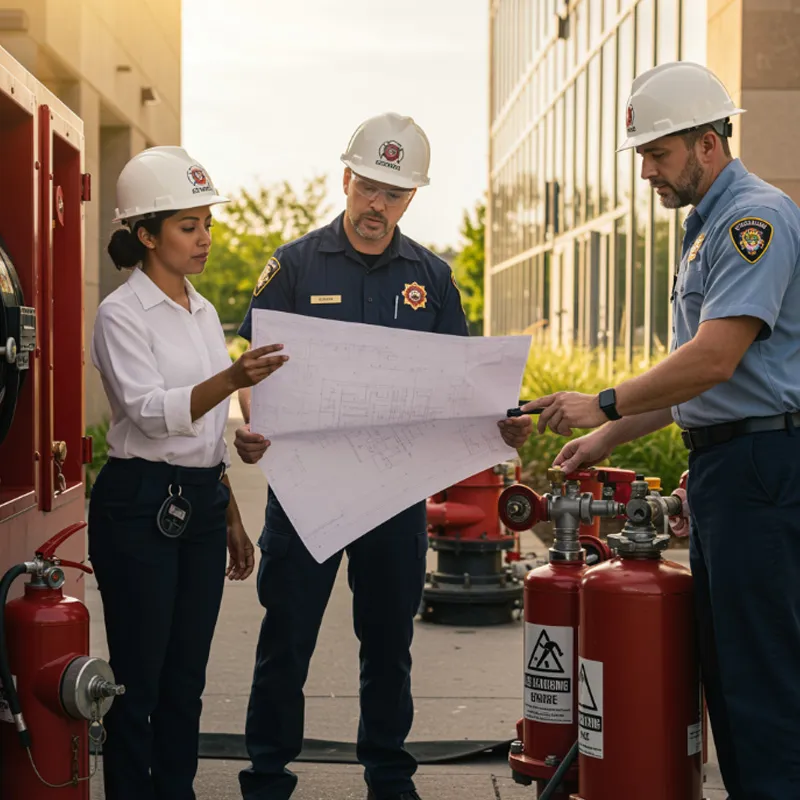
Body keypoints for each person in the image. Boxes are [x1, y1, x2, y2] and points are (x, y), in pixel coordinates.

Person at [232, 113, 531, 800]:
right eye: (368, 187)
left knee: (389, 644)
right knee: (287, 640)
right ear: (346, 179)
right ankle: (267, 777)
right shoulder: (293, 266)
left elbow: (462, 388)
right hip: (306, 492)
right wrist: (253, 424)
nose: (377, 205)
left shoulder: (432, 278)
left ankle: (389, 778)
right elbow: (254, 375)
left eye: (393, 195)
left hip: (393, 495)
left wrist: (500, 426)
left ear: (411, 198)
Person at [523, 62, 800, 799]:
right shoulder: (707, 229)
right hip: (733, 467)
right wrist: (607, 436)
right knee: (729, 673)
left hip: (762, 468)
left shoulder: (752, 221)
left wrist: (606, 403)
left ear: (709, 143)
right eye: (643, 154)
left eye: (657, 152)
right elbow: (701, 382)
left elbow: (713, 358)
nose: (646, 171)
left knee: (761, 679)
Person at [88, 145, 289, 800]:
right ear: (147, 235)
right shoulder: (121, 314)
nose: (204, 238)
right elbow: (150, 415)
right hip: (138, 503)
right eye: (187, 226)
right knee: (139, 680)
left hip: (199, 500)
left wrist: (228, 509)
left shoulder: (202, 311)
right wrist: (232, 378)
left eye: (206, 224)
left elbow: (204, 432)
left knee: (185, 680)